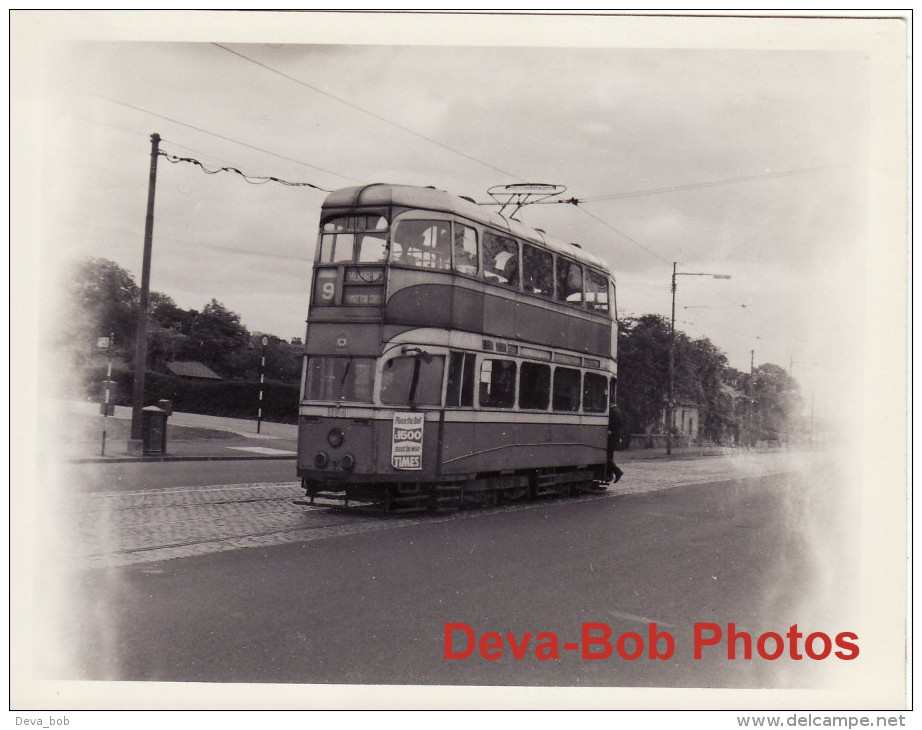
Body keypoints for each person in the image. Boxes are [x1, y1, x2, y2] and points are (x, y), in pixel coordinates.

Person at [606, 402, 625, 483]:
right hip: (614, 438)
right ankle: (610, 474)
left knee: (606, 457)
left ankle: (617, 472)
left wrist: (611, 431)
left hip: (612, 438)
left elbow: (617, 426)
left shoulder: (613, 411)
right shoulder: (616, 410)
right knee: (608, 457)